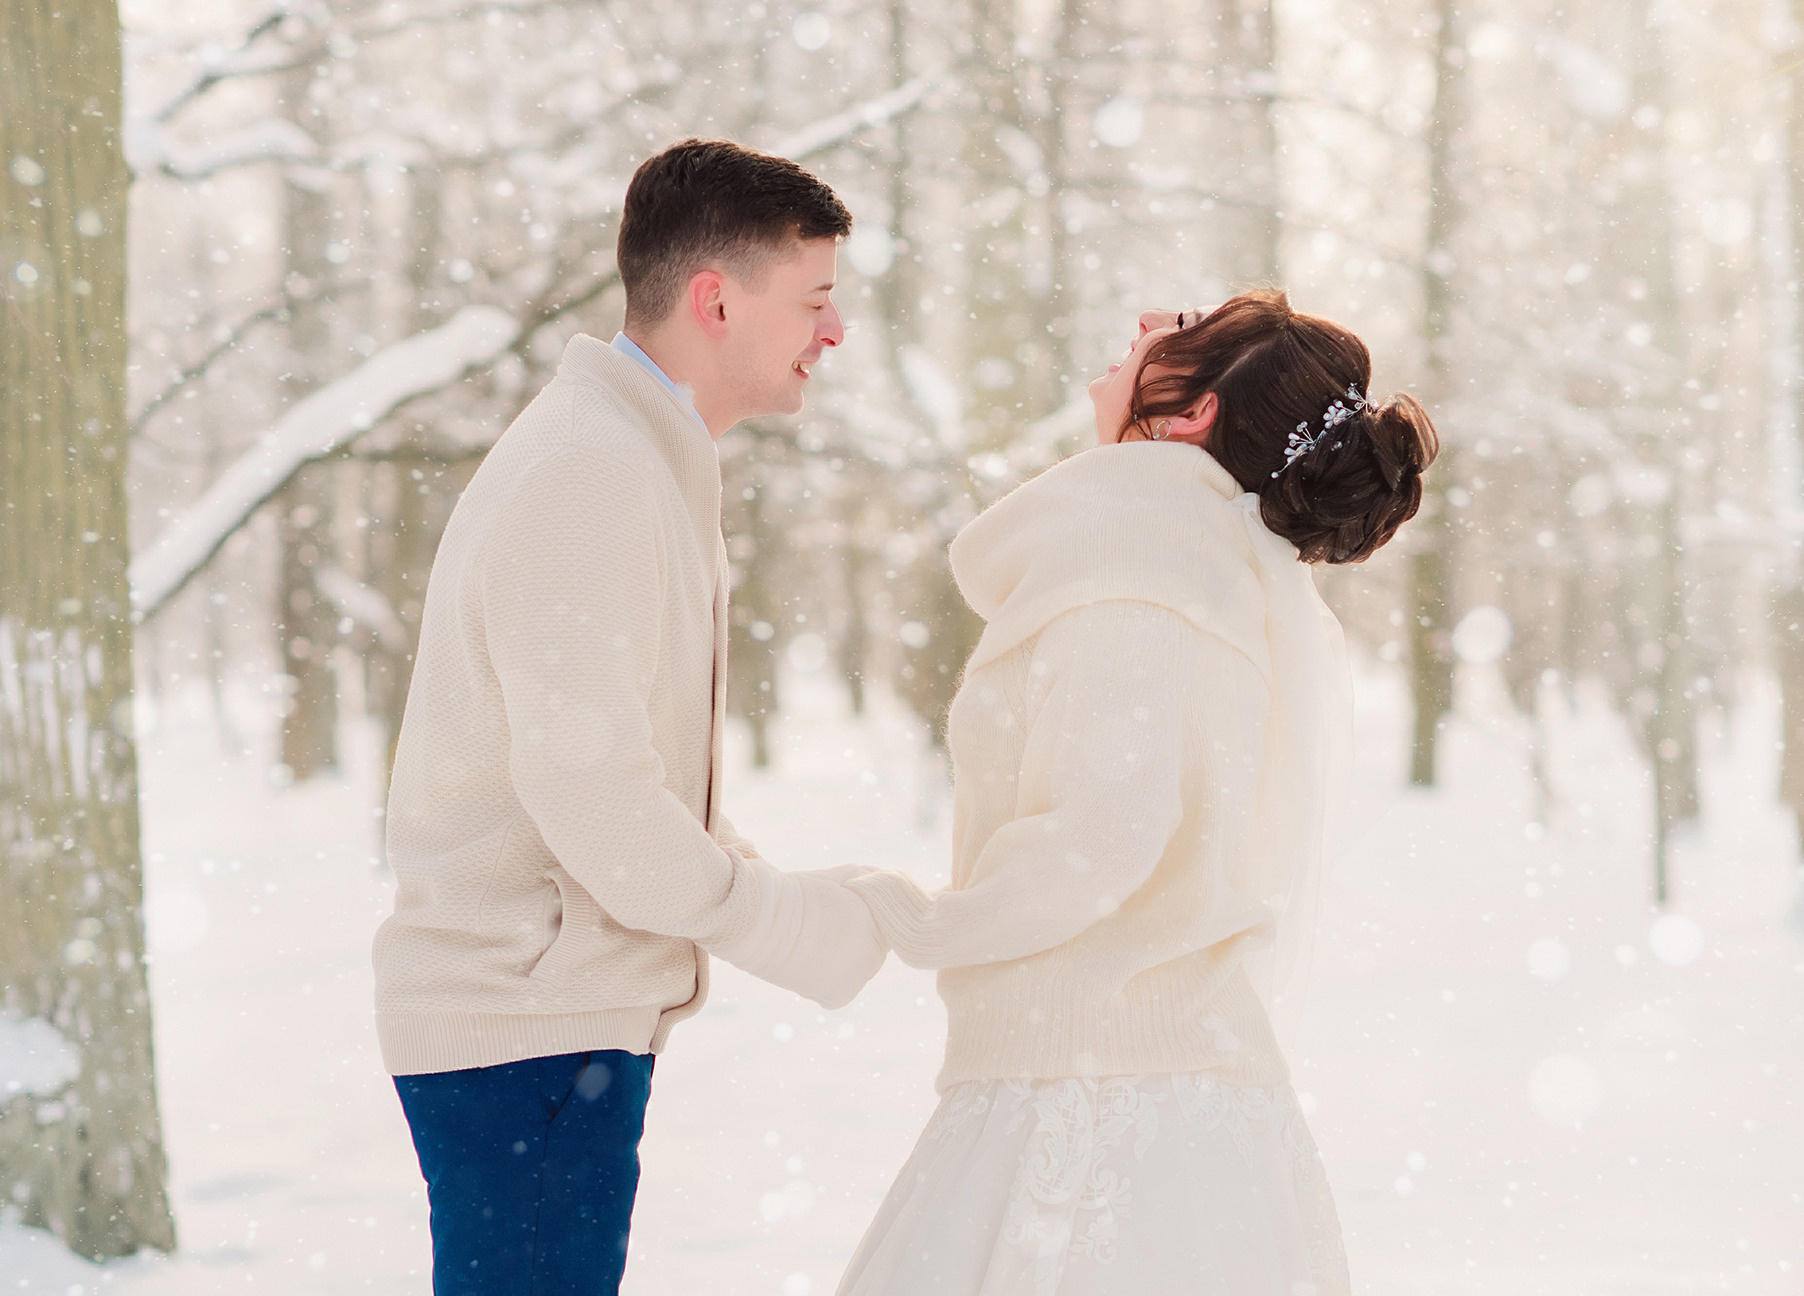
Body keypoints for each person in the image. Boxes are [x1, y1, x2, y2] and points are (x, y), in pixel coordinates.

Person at [838, 290, 1440, 1295]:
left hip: (1092, 1102)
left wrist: (912, 922)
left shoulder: (1135, 565)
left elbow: (1101, 838)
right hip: (1160, 1092)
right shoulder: (1196, 565)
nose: (1146, 323)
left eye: (1177, 333)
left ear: (1192, 412)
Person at [371, 138, 888, 1296]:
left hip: (547, 1026)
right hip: (524, 1024)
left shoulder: (633, 459)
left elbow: (629, 774)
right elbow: (596, 802)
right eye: (815, 300)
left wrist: (791, 899)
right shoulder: (593, 470)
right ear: (715, 298)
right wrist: (785, 928)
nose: (834, 332)